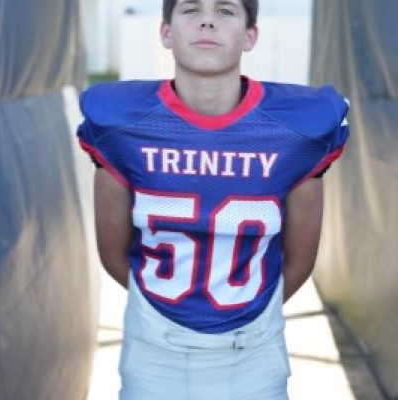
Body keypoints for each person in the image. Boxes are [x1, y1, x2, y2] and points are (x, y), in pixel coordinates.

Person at [77, 0, 350, 398]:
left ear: (250, 36)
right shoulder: (122, 125)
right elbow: (113, 254)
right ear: (166, 32)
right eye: (191, 9)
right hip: (154, 350)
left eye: (225, 10)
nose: (207, 20)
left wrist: (251, 316)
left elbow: (300, 260)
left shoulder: (295, 130)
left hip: (253, 350)